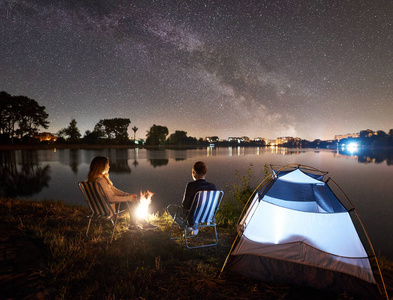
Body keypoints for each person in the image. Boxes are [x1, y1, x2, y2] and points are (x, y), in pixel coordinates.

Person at [87, 156, 157, 232]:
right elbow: (111, 198)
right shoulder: (101, 181)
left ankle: (136, 225)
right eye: (107, 164)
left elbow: (114, 190)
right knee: (133, 202)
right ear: (102, 166)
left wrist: (127, 195)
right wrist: (128, 198)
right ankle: (138, 225)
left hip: (98, 210)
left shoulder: (92, 181)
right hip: (108, 210)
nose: (109, 166)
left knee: (131, 200)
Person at [167, 161, 217, 236]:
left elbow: (185, 205)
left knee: (170, 208)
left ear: (195, 172)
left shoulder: (191, 185)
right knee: (195, 211)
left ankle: (187, 228)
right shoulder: (212, 187)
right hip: (207, 216)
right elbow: (215, 205)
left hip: (192, 217)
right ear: (204, 173)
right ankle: (195, 228)